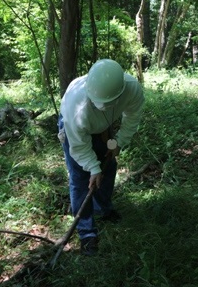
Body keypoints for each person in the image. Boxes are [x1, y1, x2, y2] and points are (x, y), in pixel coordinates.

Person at [58, 59, 144, 255]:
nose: (101, 105)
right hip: (75, 127)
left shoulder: (132, 89)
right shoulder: (76, 106)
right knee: (81, 178)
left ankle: (103, 209)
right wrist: (93, 168)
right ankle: (87, 233)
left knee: (109, 166)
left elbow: (132, 117)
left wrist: (119, 142)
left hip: (103, 126)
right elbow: (79, 146)